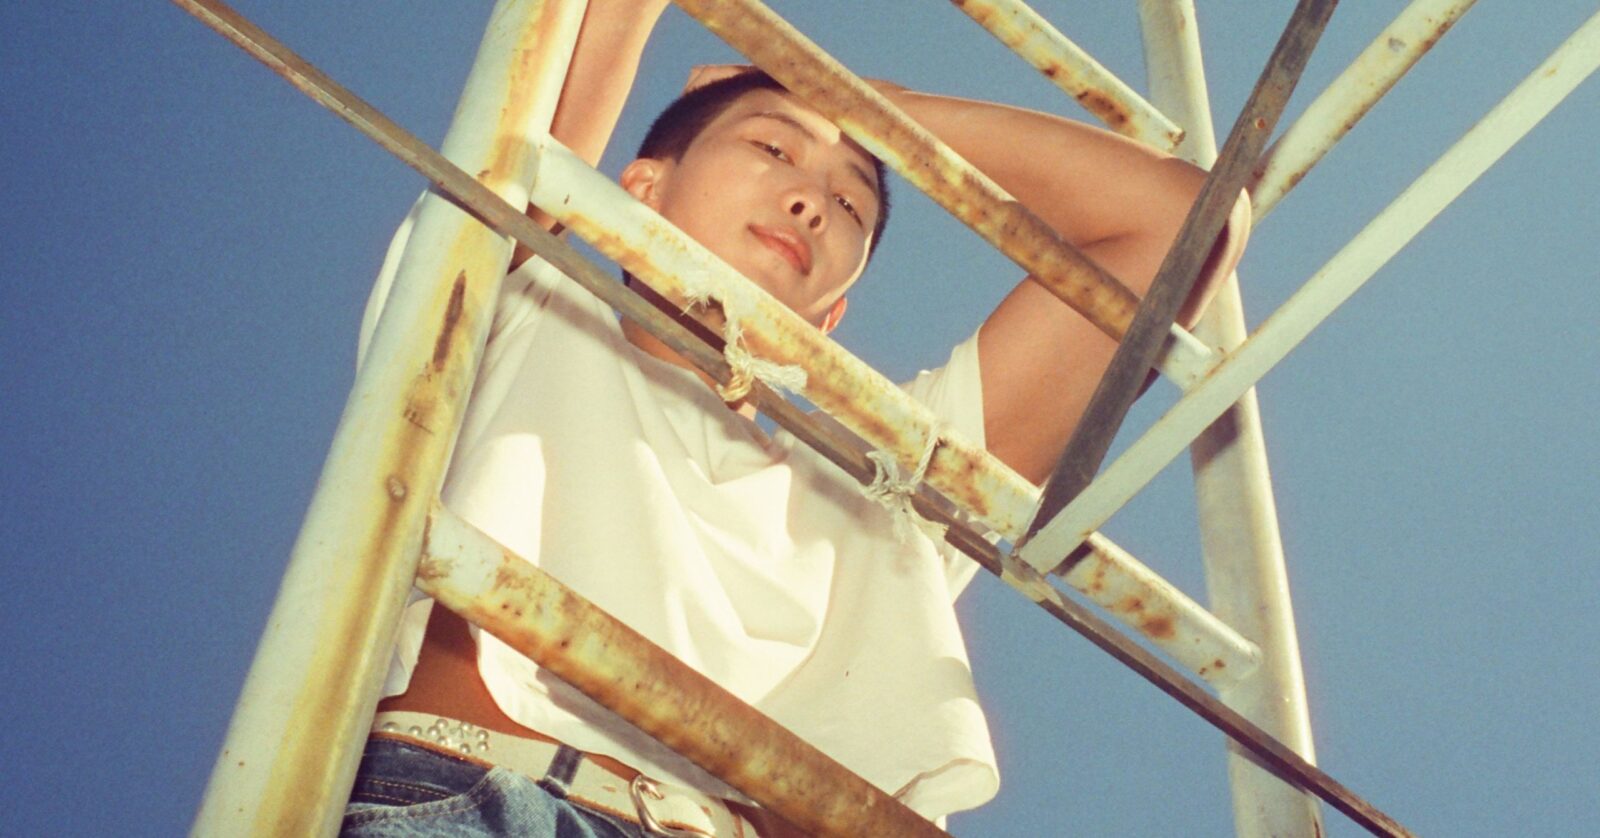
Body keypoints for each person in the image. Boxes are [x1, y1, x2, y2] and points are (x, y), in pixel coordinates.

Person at [341, 4, 1249, 837]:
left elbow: (1179, 223)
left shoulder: (880, 476)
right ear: (642, 187)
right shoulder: (525, 302)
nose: (812, 201)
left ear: (831, 317)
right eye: (772, 148)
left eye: (850, 202)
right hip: (483, 801)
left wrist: (863, 108)